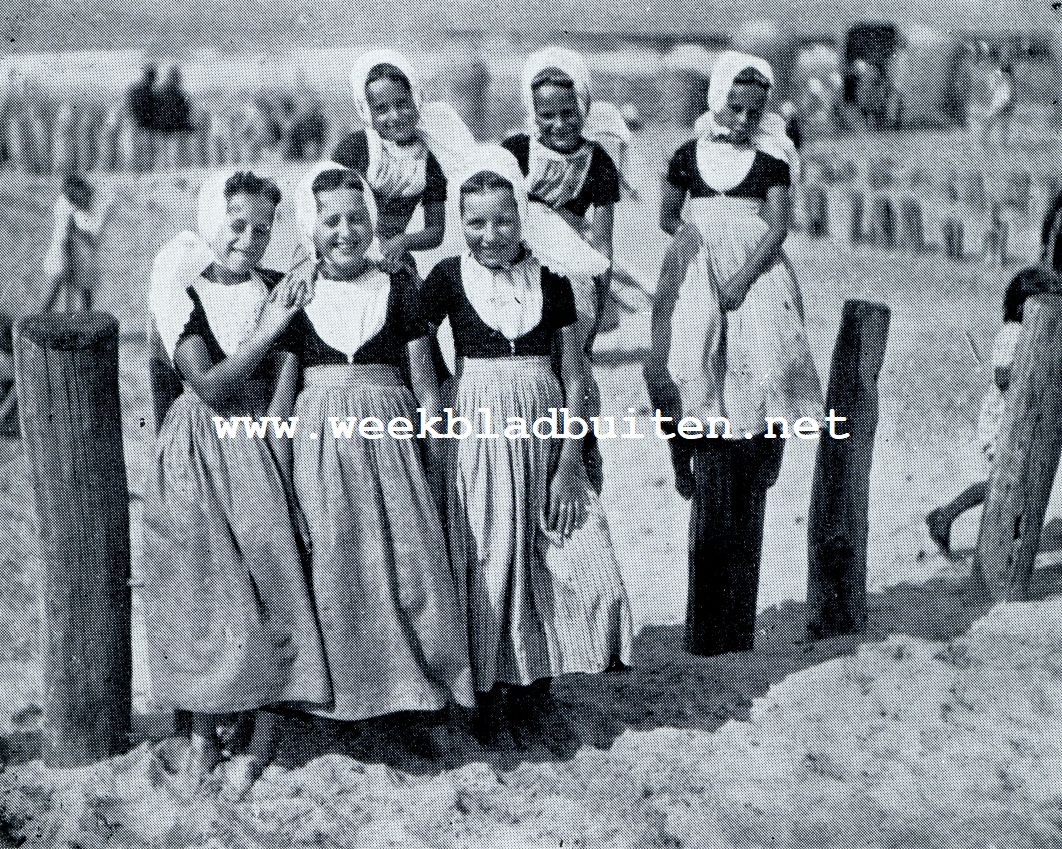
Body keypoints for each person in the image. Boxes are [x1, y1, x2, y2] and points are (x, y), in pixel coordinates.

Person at [417, 145, 632, 751]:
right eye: (476, 223)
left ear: (523, 218)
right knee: (490, 559)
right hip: (478, 433)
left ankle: (539, 689)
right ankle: (490, 695)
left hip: (547, 431)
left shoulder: (554, 281)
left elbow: (572, 376)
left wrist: (567, 463)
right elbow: (412, 336)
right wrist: (439, 394)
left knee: (559, 559)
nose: (490, 235)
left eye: (503, 221)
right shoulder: (448, 278)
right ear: (460, 224)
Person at [143, 170, 331, 795]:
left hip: (257, 444)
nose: (247, 240)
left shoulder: (276, 287)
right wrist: (271, 325)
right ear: (212, 223)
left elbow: (290, 361)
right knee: (204, 590)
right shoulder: (183, 292)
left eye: (260, 230)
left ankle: (263, 735)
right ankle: (201, 734)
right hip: (199, 445)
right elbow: (213, 385)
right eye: (237, 226)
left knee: (274, 579)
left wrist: (277, 422)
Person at [284, 162, 475, 743]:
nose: (345, 232)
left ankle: (420, 700)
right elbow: (284, 392)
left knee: (408, 567)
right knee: (338, 565)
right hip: (321, 446)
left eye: (357, 219)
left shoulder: (397, 288)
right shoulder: (298, 295)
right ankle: (348, 709)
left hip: (392, 444)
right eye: (331, 221)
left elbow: (423, 382)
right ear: (309, 228)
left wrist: (437, 455)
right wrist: (281, 461)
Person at [646, 52, 822, 657]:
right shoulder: (687, 156)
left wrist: (743, 274)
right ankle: (682, 454)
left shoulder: (771, 161)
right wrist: (695, 240)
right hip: (695, 264)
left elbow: (777, 228)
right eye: (734, 106)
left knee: (765, 364)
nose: (743, 119)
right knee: (678, 363)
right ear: (717, 100)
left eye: (755, 109)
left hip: (756, 269)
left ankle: (767, 445)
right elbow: (668, 213)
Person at [502, 47, 621, 494]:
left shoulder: (599, 162)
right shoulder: (515, 151)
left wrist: (597, 304)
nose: (558, 125)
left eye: (568, 113)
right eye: (546, 115)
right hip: (519, 265)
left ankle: (579, 467)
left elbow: (602, 242)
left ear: (584, 107)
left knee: (573, 370)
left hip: (571, 272)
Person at [926, 267, 1056, 555]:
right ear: (1025, 305)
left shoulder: (1038, 335)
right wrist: (1036, 369)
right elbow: (1001, 376)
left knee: (1013, 481)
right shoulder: (1013, 333)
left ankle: (954, 518)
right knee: (1003, 482)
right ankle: (945, 515)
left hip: (1019, 418)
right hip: (1002, 421)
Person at [334, 50, 475, 275]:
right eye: (381, 109)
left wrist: (402, 241)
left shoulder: (429, 159)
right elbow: (324, 209)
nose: (395, 116)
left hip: (393, 255)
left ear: (416, 99)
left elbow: (435, 231)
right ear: (366, 110)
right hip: (346, 251)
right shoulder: (356, 148)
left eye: (402, 104)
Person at [42, 173, 115, 312]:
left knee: (85, 293)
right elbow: (63, 238)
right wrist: (67, 258)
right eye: (75, 201)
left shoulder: (102, 202)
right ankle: (39, 321)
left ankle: (84, 322)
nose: (79, 204)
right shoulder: (64, 204)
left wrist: (77, 232)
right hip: (66, 248)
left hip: (86, 251)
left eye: (82, 199)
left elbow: (93, 240)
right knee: (57, 283)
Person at [126, 64, 159, 171]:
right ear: (152, 77)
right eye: (154, 77)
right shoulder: (153, 92)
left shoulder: (133, 89)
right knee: (148, 151)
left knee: (136, 150)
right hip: (146, 125)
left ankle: (136, 173)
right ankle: (145, 173)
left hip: (135, 124)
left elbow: (128, 106)